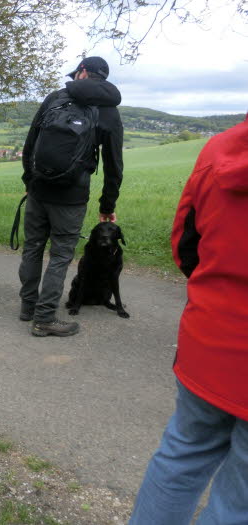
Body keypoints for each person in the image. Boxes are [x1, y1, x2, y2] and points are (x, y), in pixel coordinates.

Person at [129, 116, 248, 525]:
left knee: (181, 456)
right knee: (239, 502)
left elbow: (186, 246)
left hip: (210, 340)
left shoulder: (219, 149)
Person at [18, 56, 123, 337]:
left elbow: (31, 143)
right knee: (61, 255)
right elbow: (114, 165)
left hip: (39, 189)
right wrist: (107, 206)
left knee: (33, 248)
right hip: (72, 196)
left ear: (82, 72)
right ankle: (44, 318)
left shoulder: (55, 97)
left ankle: (28, 307)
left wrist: (29, 180)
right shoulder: (109, 112)